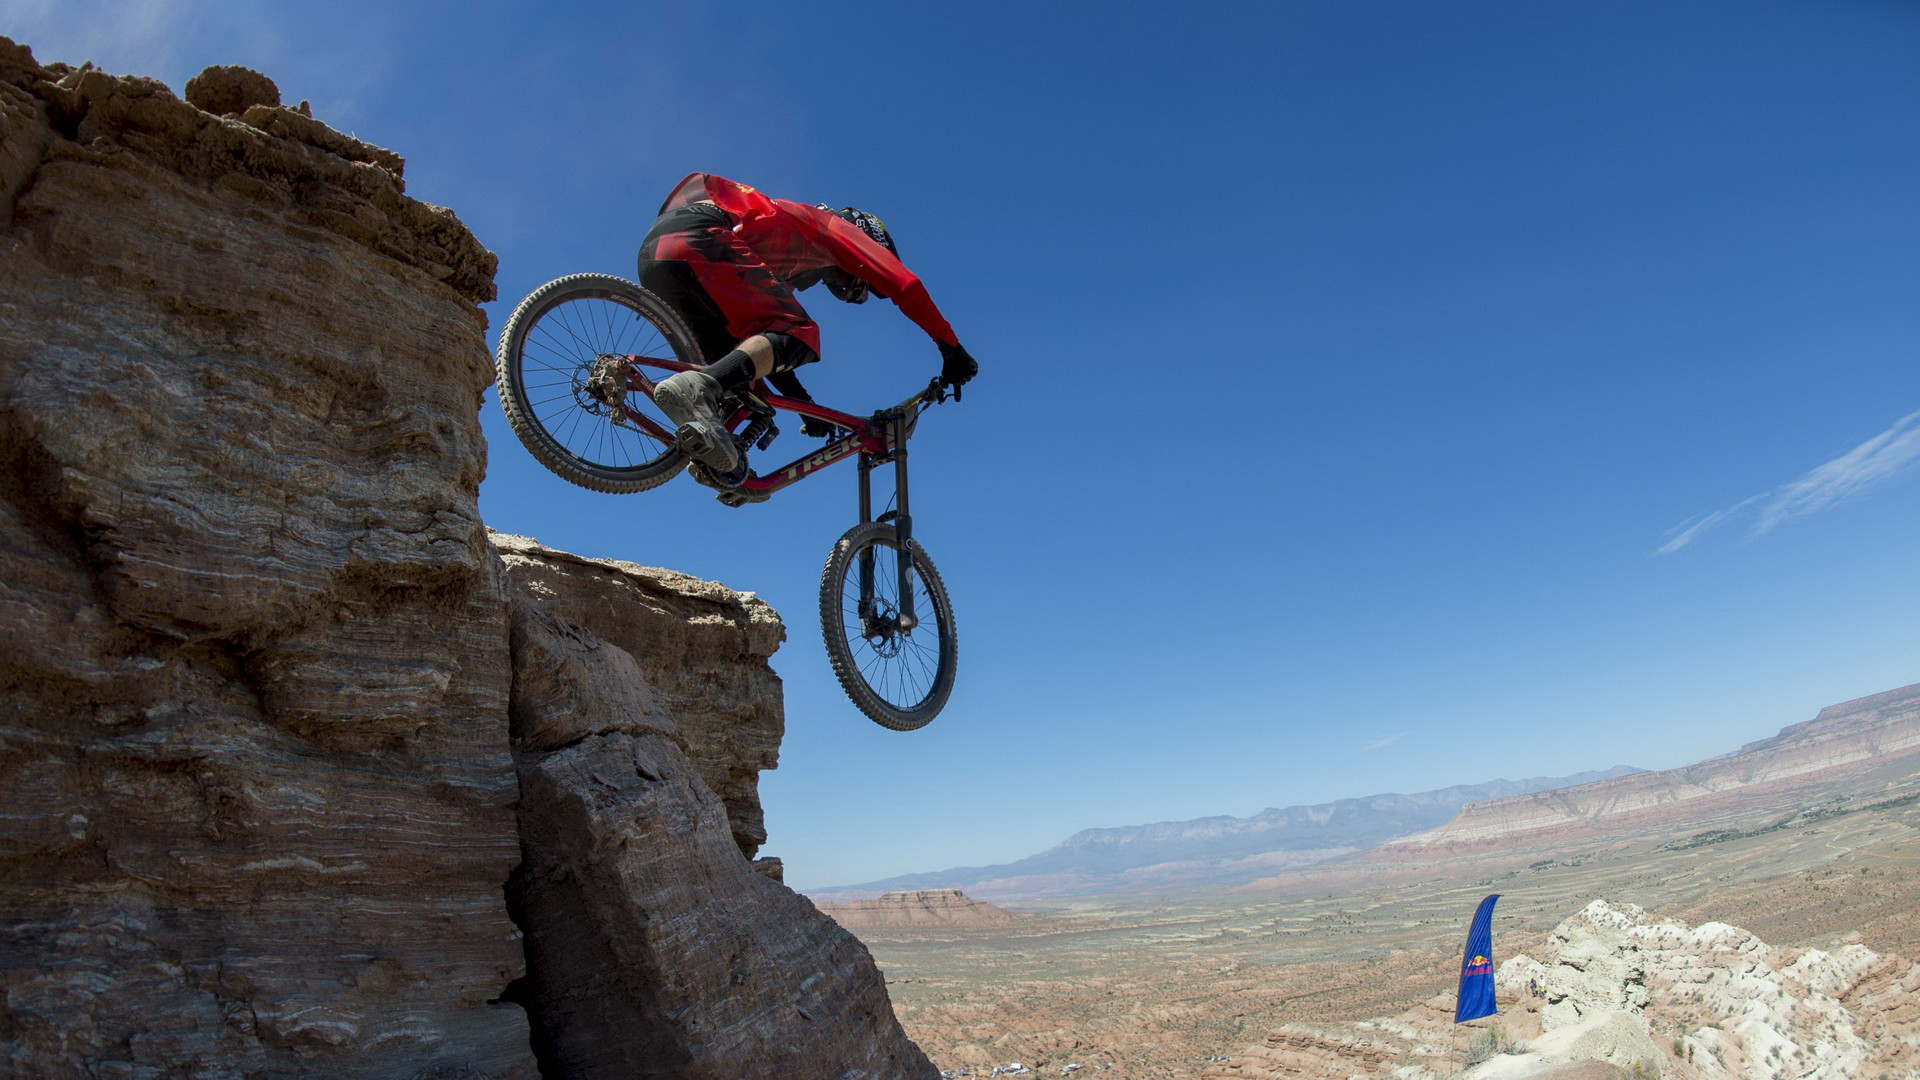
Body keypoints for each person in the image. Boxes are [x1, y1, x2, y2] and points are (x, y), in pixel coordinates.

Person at [637, 172, 978, 485]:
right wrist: (951, 349)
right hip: (700, 238)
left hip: (658, 252)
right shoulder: (833, 227)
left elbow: (761, 344)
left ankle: (705, 437)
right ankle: (701, 388)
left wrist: (804, 406)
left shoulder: (773, 244)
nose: (843, 284)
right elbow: (906, 286)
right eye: (851, 280)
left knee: (746, 379)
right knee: (802, 333)